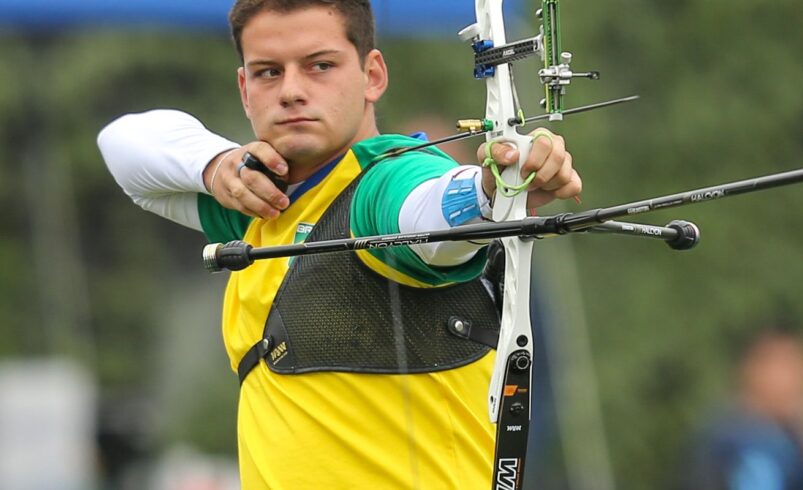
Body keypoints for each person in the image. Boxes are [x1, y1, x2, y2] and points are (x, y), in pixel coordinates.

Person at [97, 1, 581, 488]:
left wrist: (490, 191)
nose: (291, 91)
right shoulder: (257, 205)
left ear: (372, 75)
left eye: (320, 66)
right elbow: (122, 145)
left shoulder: (385, 178)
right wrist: (216, 165)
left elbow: (425, 209)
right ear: (245, 89)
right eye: (268, 72)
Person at [683, 327, 803, 490]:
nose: (797, 378)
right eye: (789, 365)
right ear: (755, 371)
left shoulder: (729, 430)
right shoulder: (752, 445)